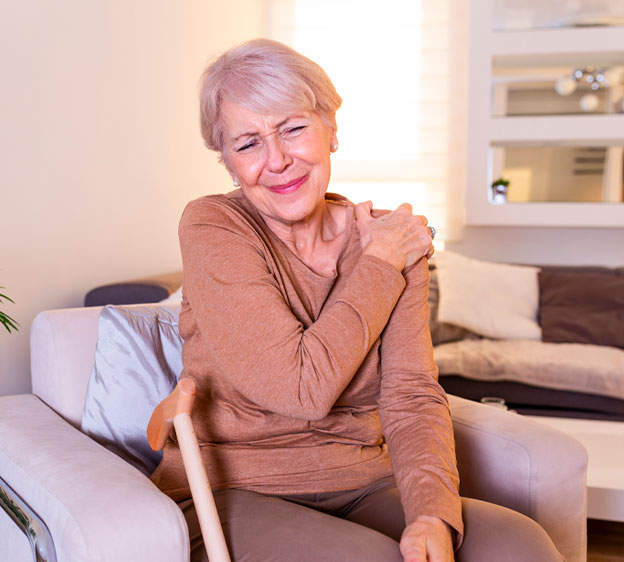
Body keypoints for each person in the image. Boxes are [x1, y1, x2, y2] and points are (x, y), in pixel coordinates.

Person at [151, 38, 564, 562]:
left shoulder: (391, 239)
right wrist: (380, 263)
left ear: (332, 130)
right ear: (228, 162)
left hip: (364, 481)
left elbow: (411, 394)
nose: (277, 160)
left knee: (521, 546)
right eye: (248, 143)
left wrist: (430, 516)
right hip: (235, 488)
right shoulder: (215, 225)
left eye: (293, 128)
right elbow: (299, 389)